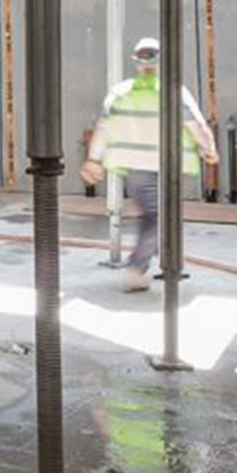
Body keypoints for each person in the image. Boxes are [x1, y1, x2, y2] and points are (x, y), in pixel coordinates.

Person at [79, 37, 217, 292]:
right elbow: (197, 126)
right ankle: (137, 267)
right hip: (166, 168)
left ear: (136, 62)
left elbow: (103, 127)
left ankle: (147, 265)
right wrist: (209, 149)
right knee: (161, 219)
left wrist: (93, 159)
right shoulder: (175, 91)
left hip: (136, 171)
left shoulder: (120, 92)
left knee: (151, 218)